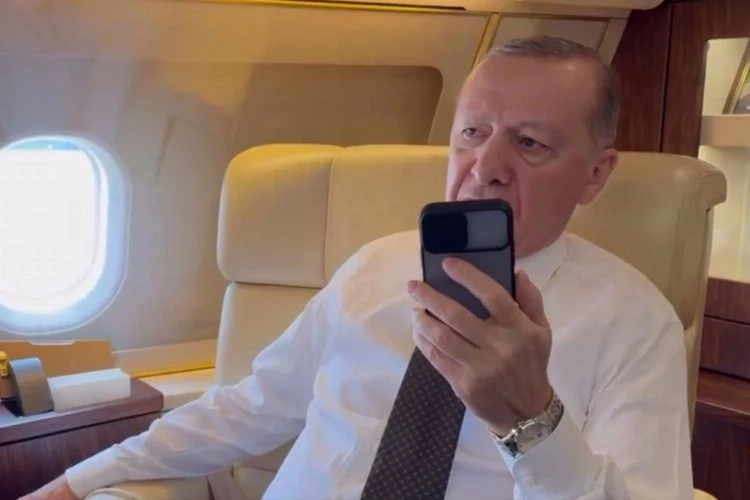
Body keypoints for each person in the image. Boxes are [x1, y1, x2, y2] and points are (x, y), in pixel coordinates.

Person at [25, 35, 693, 500]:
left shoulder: (635, 322)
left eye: (530, 142)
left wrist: (531, 418)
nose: (486, 166)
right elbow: (250, 407)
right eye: (472, 131)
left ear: (595, 174)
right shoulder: (375, 265)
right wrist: (76, 481)